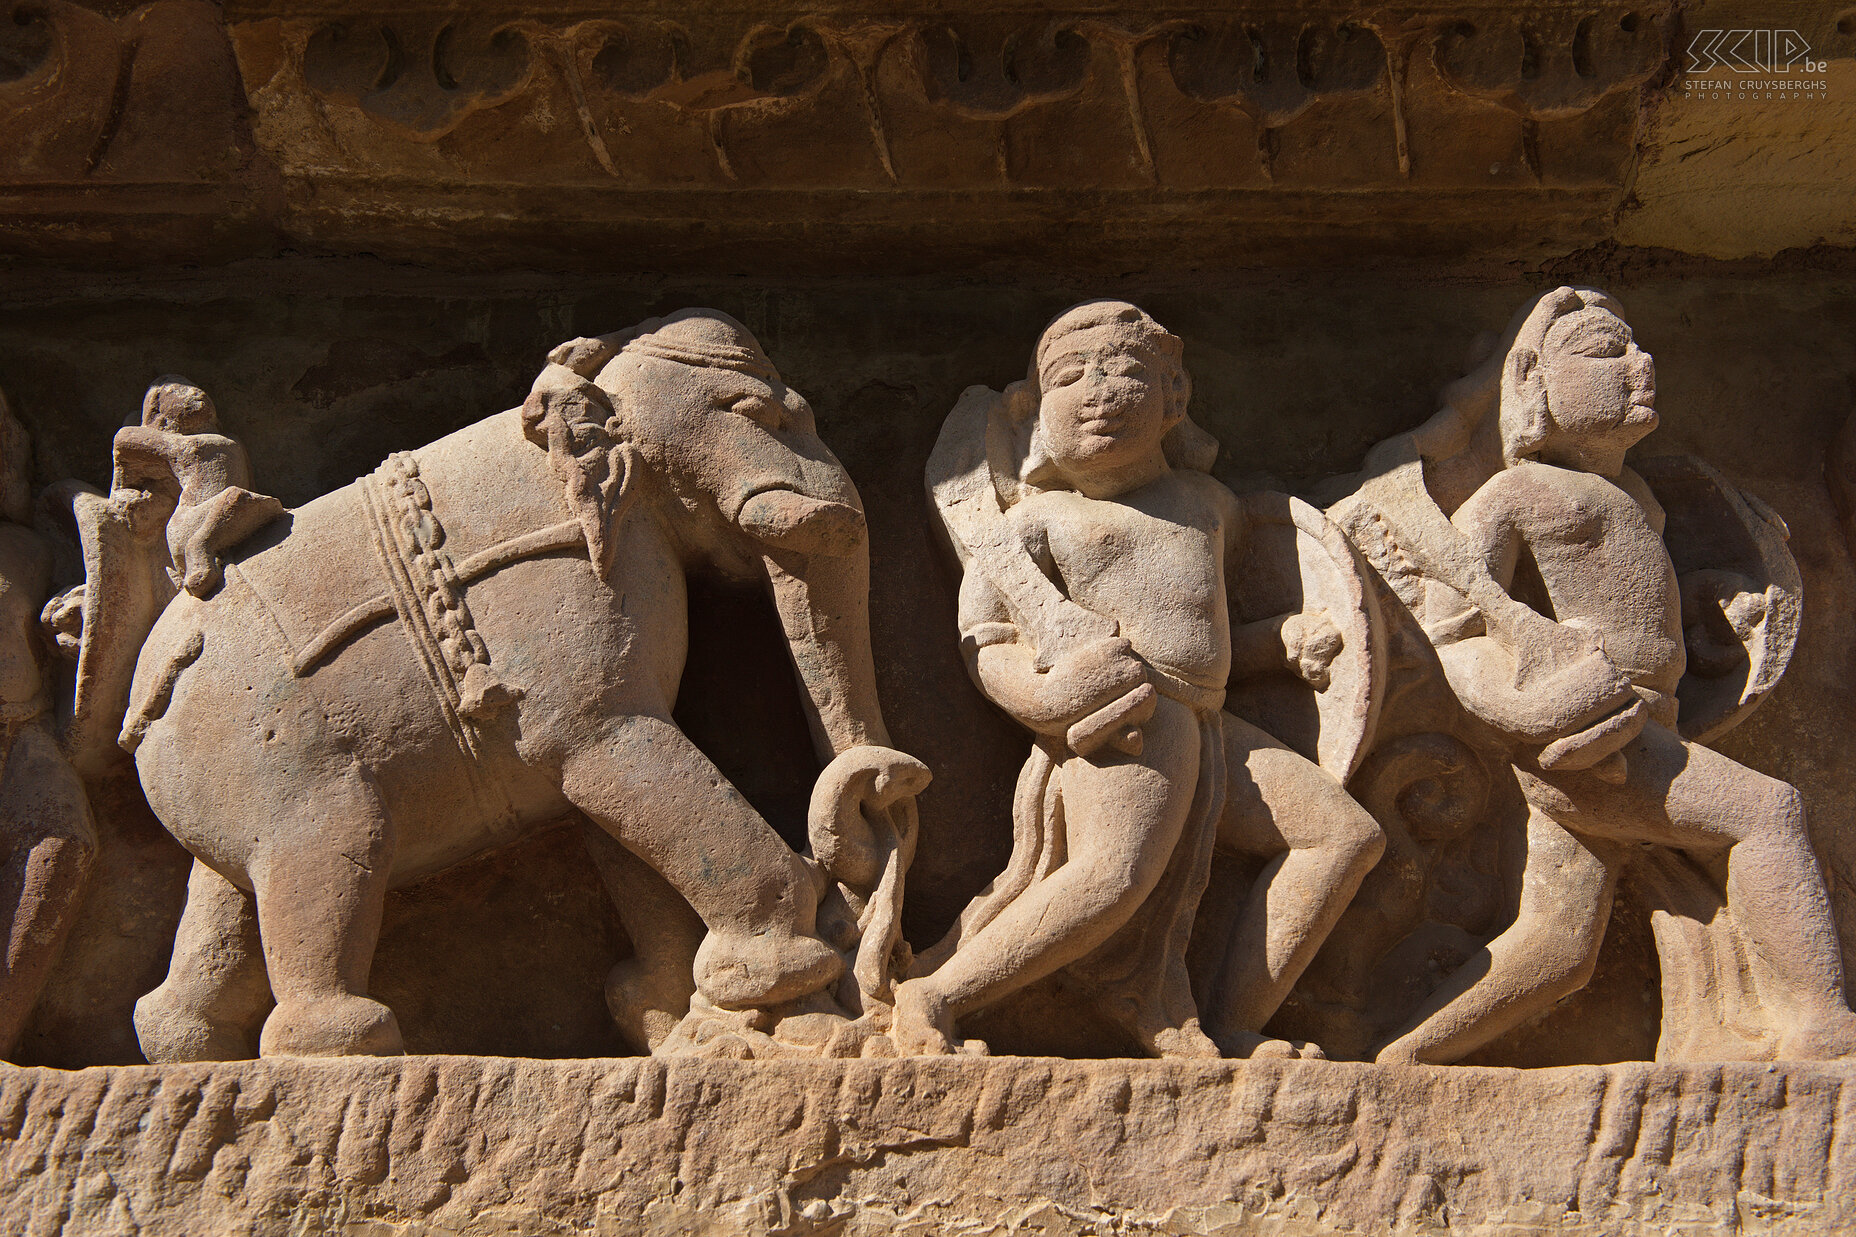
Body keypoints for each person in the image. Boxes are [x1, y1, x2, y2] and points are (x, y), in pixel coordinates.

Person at [1373, 287, 1856, 1064]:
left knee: (1559, 948)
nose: (1641, 364)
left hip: (1641, 719)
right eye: (1606, 351)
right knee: (1769, 813)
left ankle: (1405, 1054)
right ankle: (1821, 1021)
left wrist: (1705, 603)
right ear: (1534, 381)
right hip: (1598, 734)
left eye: (1638, 349)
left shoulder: (1637, 499)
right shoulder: (1516, 492)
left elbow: (1642, 601)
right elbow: (1453, 632)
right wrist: (1529, 712)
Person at [899, 300, 1383, 1058]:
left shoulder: (1209, 506)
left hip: (1208, 727)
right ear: (1033, 414)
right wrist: (1045, 699)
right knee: (1111, 877)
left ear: (1176, 398)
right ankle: (937, 995)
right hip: (1127, 727)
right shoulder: (1035, 523)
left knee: (1341, 835)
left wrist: (1276, 644)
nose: (1095, 388)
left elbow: (1204, 640)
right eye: (1068, 376)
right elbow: (985, 641)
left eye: (1121, 369)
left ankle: (1233, 1020)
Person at [111, 377, 283, 599]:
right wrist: (119, 487)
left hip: (220, 512)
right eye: (176, 390)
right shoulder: (174, 443)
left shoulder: (231, 440)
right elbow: (122, 441)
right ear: (159, 413)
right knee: (237, 498)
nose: (195, 392)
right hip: (189, 524)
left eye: (194, 387)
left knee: (263, 503)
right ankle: (200, 548)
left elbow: (250, 479)